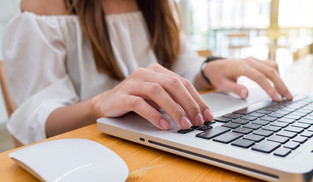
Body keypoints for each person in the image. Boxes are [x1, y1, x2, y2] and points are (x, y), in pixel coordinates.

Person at [3, 0, 292, 145]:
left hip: (160, 145)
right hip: (89, 156)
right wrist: (101, 104)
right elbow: (34, 121)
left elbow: (180, 66)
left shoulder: (158, 5)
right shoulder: (48, 7)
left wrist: (209, 69)